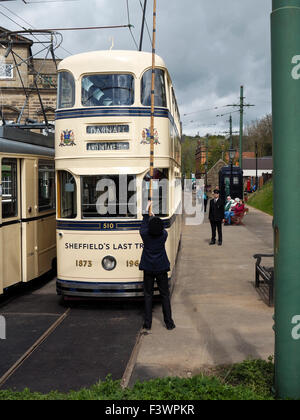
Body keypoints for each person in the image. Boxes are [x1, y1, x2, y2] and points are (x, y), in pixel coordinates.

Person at [139, 200, 175, 331]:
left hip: (148, 268)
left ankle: (148, 323)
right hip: (161, 268)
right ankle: (169, 323)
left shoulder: (144, 235)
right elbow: (160, 228)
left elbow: (143, 225)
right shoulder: (163, 236)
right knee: (165, 295)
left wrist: (147, 211)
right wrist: (153, 218)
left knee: (148, 295)